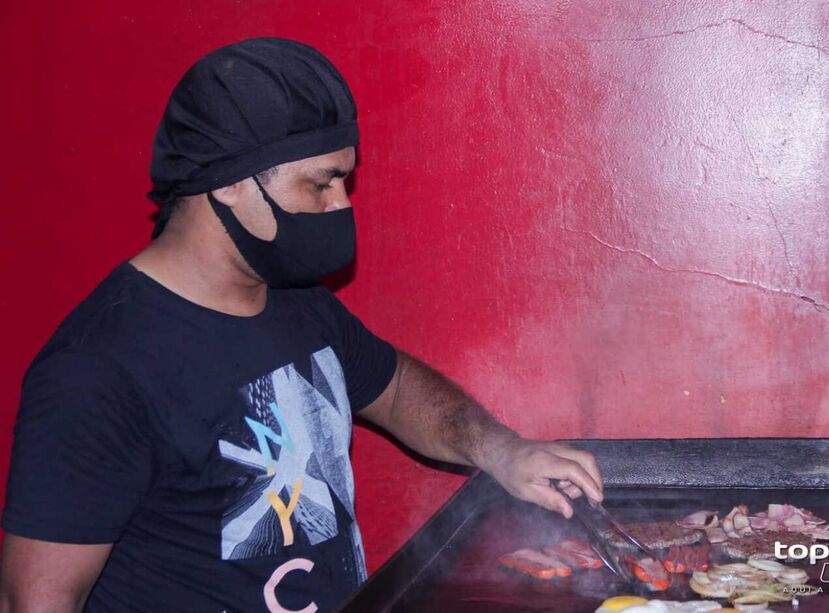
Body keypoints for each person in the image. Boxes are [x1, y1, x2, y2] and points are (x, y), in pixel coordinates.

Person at [0, 38, 603, 612]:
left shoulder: (295, 302)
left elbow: (392, 389)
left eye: (343, 178)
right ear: (230, 183)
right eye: (321, 183)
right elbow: (39, 600)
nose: (341, 204)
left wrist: (503, 451)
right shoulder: (98, 368)